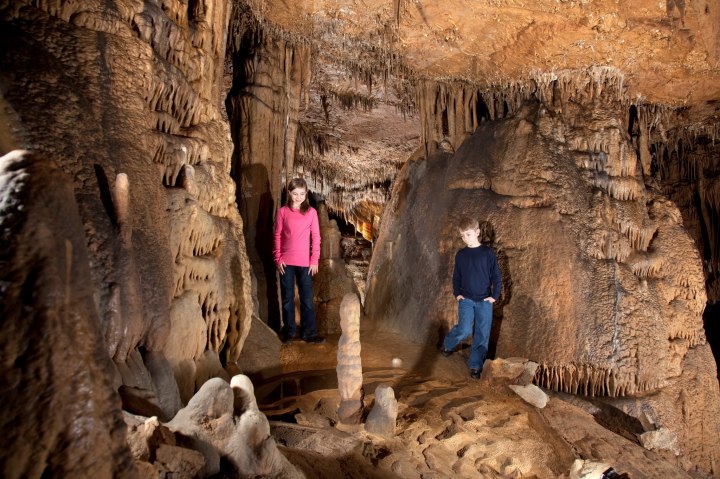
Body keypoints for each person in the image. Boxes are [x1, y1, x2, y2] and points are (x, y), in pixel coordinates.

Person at [441, 217, 502, 378]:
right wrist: (457, 294)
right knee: (465, 329)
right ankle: (448, 344)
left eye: (468, 234)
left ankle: (475, 365)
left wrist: (494, 296)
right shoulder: (461, 255)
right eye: (462, 236)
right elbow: (457, 277)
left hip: (484, 300)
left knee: (482, 333)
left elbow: (496, 276)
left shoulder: (488, 254)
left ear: (477, 232)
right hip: (466, 299)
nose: (465, 238)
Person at [273, 178, 325, 344]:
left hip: (305, 262)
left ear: (306, 194)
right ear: (289, 193)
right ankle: (289, 332)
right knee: (288, 298)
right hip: (286, 261)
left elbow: (316, 237)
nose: (298, 197)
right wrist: (277, 257)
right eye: (295, 193)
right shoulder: (282, 212)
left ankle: (309, 333)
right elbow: (277, 235)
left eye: (302, 194)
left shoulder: (311, 212)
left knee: (307, 299)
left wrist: (314, 259)